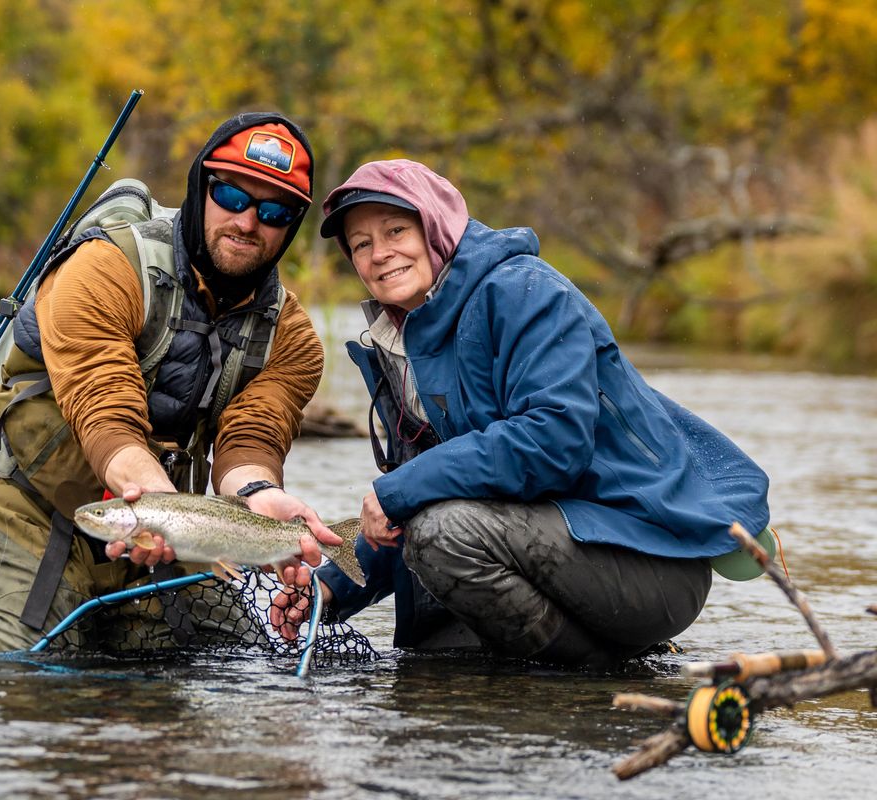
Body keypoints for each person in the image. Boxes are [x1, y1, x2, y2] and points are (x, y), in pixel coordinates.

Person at [276, 159, 771, 666]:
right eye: (361, 245)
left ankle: (598, 672)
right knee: (434, 634)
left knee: (442, 535)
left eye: (396, 230)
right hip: (548, 550)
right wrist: (331, 587)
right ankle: (530, 681)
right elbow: (409, 507)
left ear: (437, 224)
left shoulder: (524, 291)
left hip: (650, 558)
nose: (380, 254)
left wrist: (400, 490)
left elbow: (554, 440)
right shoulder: (406, 342)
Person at [0, 112, 339, 652]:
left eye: (274, 211)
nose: (249, 222)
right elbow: (104, 408)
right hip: (17, 499)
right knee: (29, 682)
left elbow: (252, 440)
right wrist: (154, 504)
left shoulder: (291, 339)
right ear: (201, 187)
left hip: (154, 528)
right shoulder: (105, 267)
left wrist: (259, 494)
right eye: (233, 196)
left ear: (291, 225)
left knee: (217, 666)